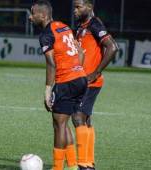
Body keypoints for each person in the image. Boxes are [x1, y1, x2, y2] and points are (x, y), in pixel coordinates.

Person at [29, 1, 87, 169]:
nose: (30, 17)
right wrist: (77, 72)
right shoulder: (64, 26)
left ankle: (57, 167)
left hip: (66, 81)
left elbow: (51, 64)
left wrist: (47, 90)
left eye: (33, 13)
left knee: (58, 124)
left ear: (43, 15)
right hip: (80, 78)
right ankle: (73, 166)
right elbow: (80, 52)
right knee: (64, 122)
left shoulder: (46, 35)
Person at [73, 0, 118, 169]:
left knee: (77, 117)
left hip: (90, 82)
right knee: (86, 120)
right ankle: (89, 163)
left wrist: (96, 72)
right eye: (74, 7)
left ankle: (84, 164)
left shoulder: (95, 24)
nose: (75, 10)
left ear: (89, 7)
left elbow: (112, 47)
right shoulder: (80, 26)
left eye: (78, 7)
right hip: (81, 81)